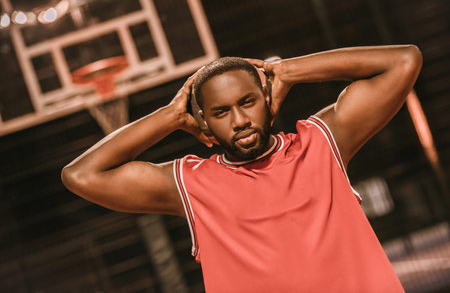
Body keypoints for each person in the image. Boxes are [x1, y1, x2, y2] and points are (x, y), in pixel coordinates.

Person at [61, 45, 422, 292]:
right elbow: (81, 175)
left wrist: (286, 70)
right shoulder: (192, 184)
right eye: (220, 112)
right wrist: (172, 115)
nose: (239, 121)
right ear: (203, 121)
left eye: (247, 102)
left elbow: (404, 60)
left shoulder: (322, 142)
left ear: (266, 98)